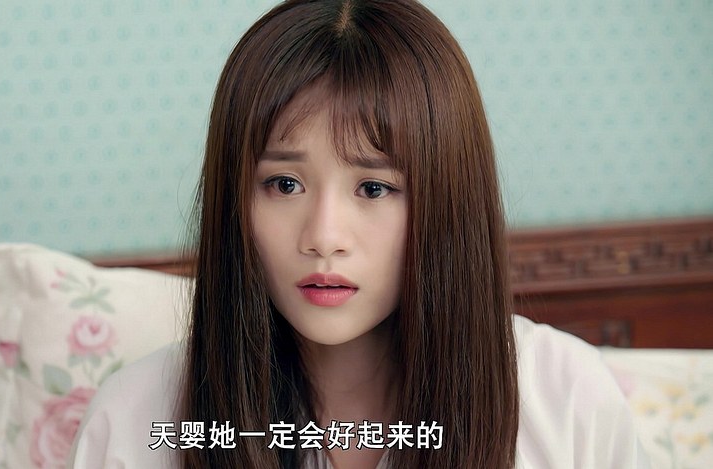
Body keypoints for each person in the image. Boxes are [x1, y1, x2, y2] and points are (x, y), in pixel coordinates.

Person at [69, 1, 650, 467]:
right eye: (284, 185)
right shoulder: (136, 423)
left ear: (449, 200)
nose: (324, 237)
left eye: (373, 188)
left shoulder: (565, 401)